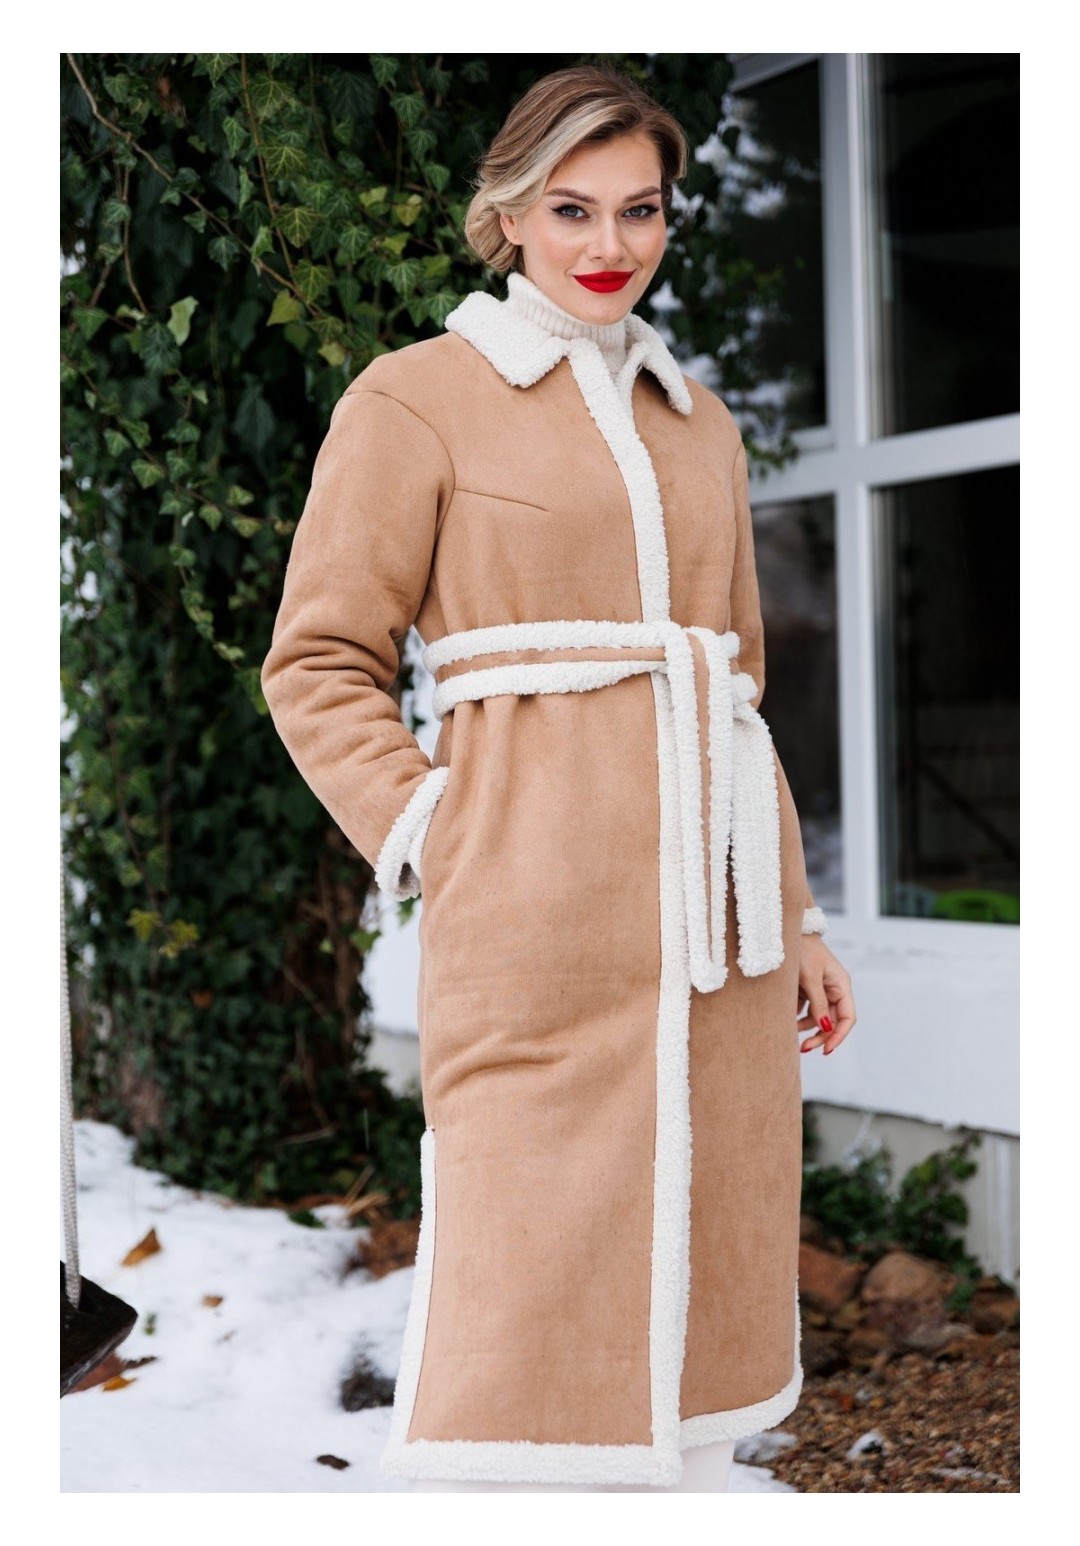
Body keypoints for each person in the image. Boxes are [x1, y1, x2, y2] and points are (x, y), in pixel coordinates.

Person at [260, 64, 857, 1494]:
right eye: (572, 207)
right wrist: (438, 828)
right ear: (510, 214)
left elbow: (738, 693)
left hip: (713, 931)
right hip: (528, 908)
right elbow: (318, 661)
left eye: (640, 209)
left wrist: (798, 915)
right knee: (518, 1279)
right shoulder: (415, 399)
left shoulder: (701, 421)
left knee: (706, 1270)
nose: (609, 243)